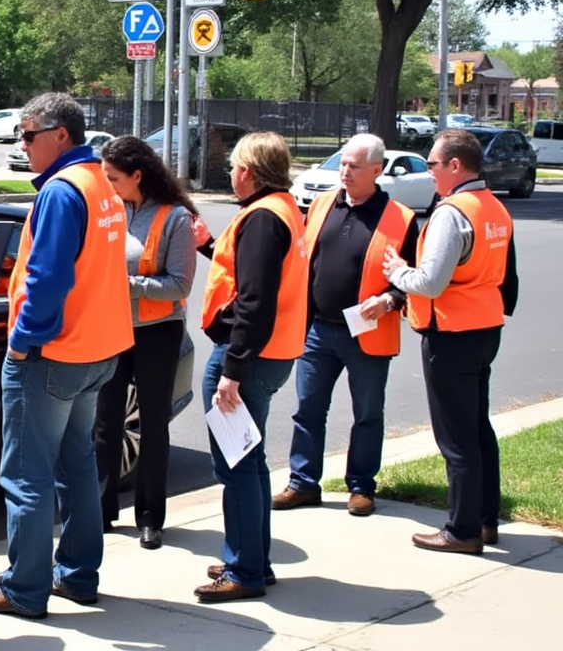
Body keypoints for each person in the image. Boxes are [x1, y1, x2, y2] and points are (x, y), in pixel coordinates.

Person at [0, 93, 132, 618]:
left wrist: (22, 341)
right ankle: (79, 576)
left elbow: (47, 278)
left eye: (27, 134)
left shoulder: (62, 191)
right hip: (98, 349)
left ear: (60, 135)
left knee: (27, 476)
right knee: (76, 465)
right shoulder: (100, 184)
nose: (22, 145)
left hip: (53, 353)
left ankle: (24, 589)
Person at [383, 129, 518, 555]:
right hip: (485, 327)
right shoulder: (494, 207)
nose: (430, 172)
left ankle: (462, 531)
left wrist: (396, 270)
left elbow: (430, 282)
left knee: (456, 438)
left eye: (433, 165)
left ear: (455, 166)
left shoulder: (451, 213)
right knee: (478, 428)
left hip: (451, 333)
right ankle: (485, 520)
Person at [273, 134, 419, 518]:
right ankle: (303, 483)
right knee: (308, 410)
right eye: (343, 164)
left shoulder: (400, 218)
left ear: (377, 170)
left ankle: (361, 487)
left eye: (354, 166)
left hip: (367, 332)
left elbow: (413, 278)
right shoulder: (322, 204)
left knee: (367, 413)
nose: (345, 172)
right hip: (317, 330)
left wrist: (389, 300)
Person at [197, 131, 307, 602]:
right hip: (275, 351)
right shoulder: (285, 210)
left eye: (234, 166)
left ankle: (244, 570)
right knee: (250, 460)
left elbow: (255, 301)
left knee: (236, 466)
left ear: (248, 171)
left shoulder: (263, 218)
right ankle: (253, 559)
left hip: (247, 357)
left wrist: (232, 370)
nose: (231, 173)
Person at [93, 135, 199, 548]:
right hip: (113, 328)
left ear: (137, 175)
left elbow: (180, 285)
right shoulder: (112, 211)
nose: (108, 185)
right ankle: (101, 510)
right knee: (106, 422)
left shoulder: (176, 218)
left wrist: (130, 285)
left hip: (158, 332)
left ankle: (150, 517)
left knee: (154, 423)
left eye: (114, 178)